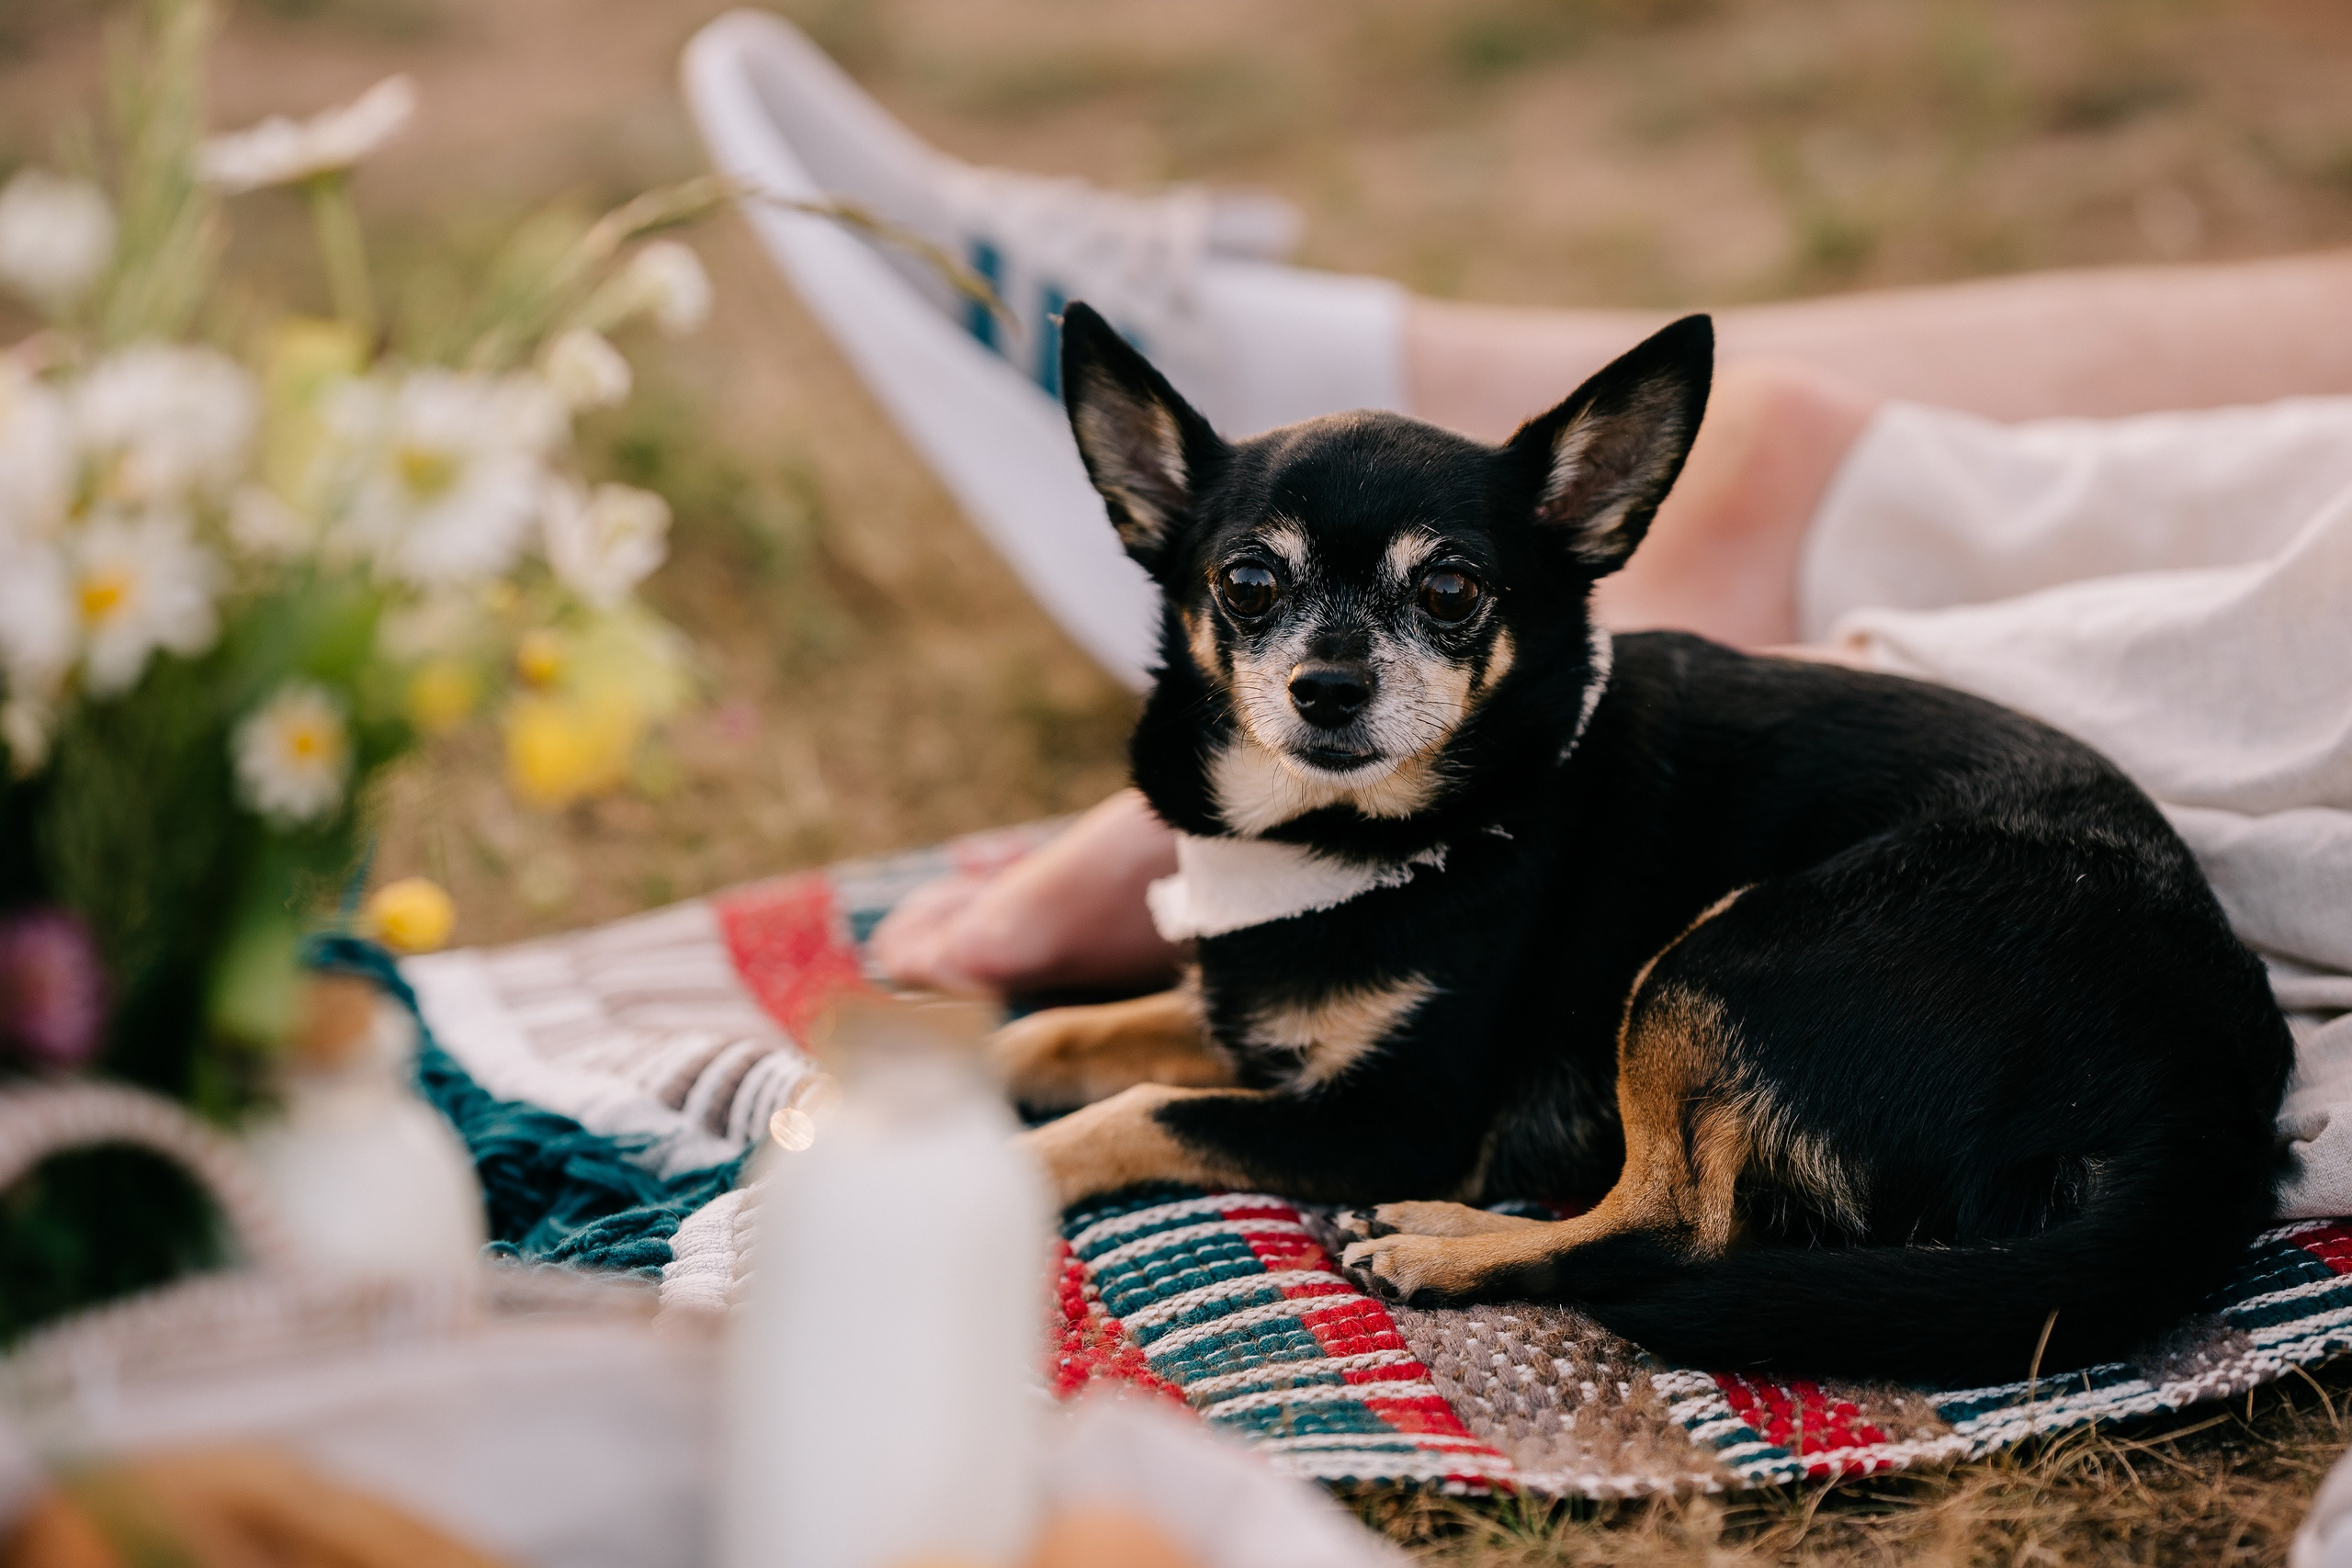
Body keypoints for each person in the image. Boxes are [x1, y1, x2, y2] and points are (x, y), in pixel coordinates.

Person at [709, 15, 2352, 1216]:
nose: (1336, 669)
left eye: (1437, 597)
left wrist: (1101, 1123)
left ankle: (1579, 464)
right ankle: (1370, 380)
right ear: (1160, 527)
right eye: (1261, 592)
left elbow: (1402, 1130)